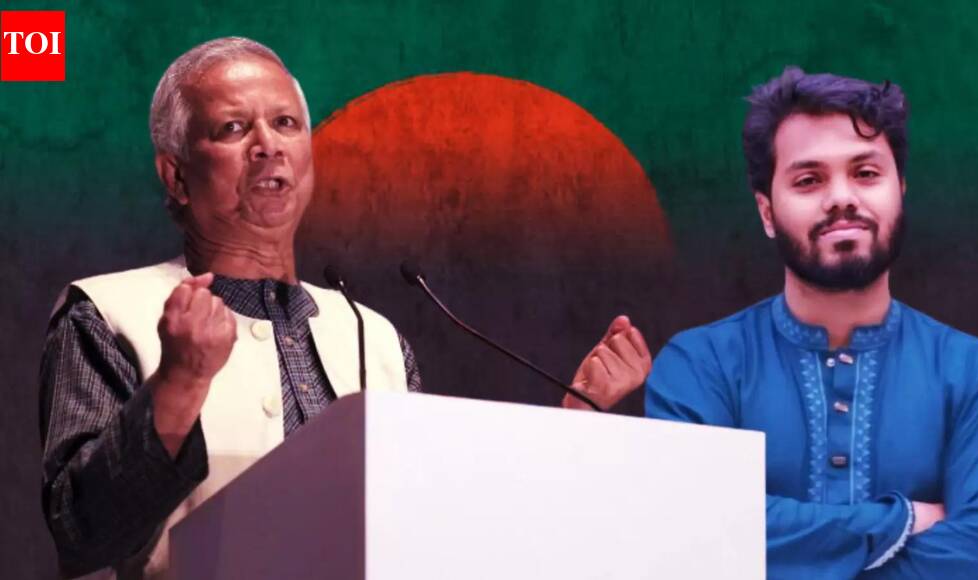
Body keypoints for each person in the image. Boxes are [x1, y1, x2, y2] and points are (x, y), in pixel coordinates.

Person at [39, 37, 649, 579]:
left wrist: (573, 423)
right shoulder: (107, 314)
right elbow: (82, 536)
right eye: (233, 128)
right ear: (176, 176)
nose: (268, 147)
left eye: (285, 123)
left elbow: (436, 529)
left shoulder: (374, 337)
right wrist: (180, 381)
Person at [575, 67, 978, 578]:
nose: (842, 197)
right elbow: (691, 537)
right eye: (809, 180)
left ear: (900, 190)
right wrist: (901, 521)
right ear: (767, 213)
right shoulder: (701, 365)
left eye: (866, 173)